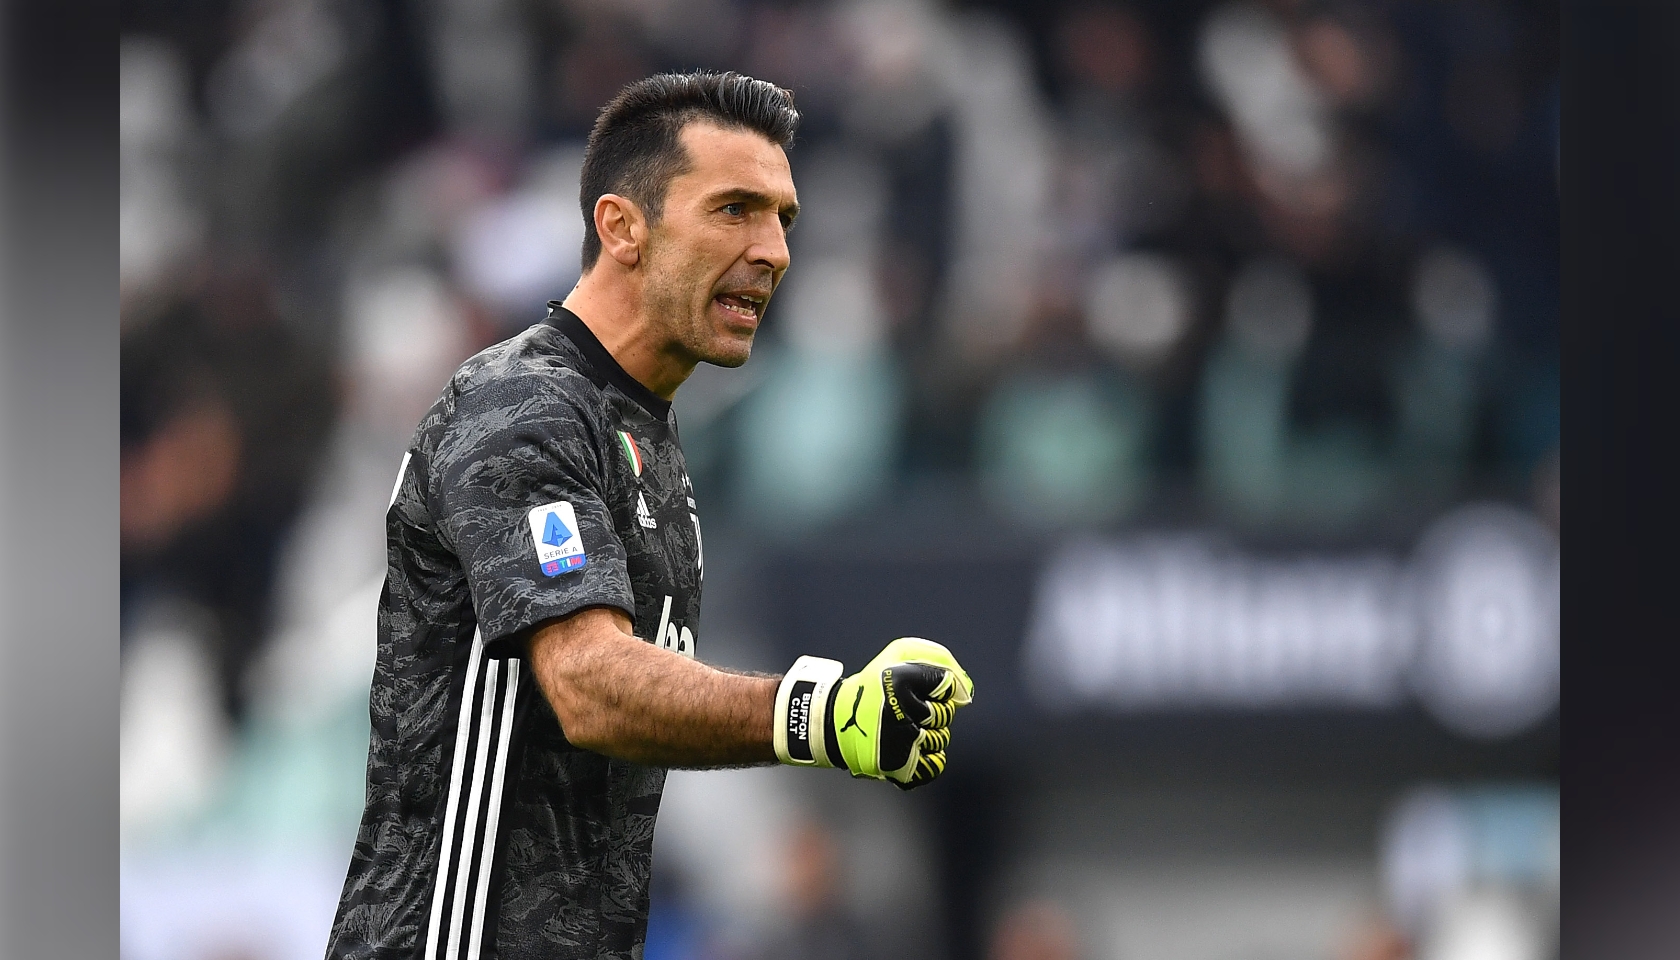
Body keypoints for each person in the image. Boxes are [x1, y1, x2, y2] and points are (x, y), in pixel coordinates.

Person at [324, 71, 974, 960]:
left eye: (783, 217)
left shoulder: (649, 439)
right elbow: (590, 686)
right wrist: (816, 712)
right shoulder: (520, 406)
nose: (774, 249)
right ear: (622, 227)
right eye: (735, 209)